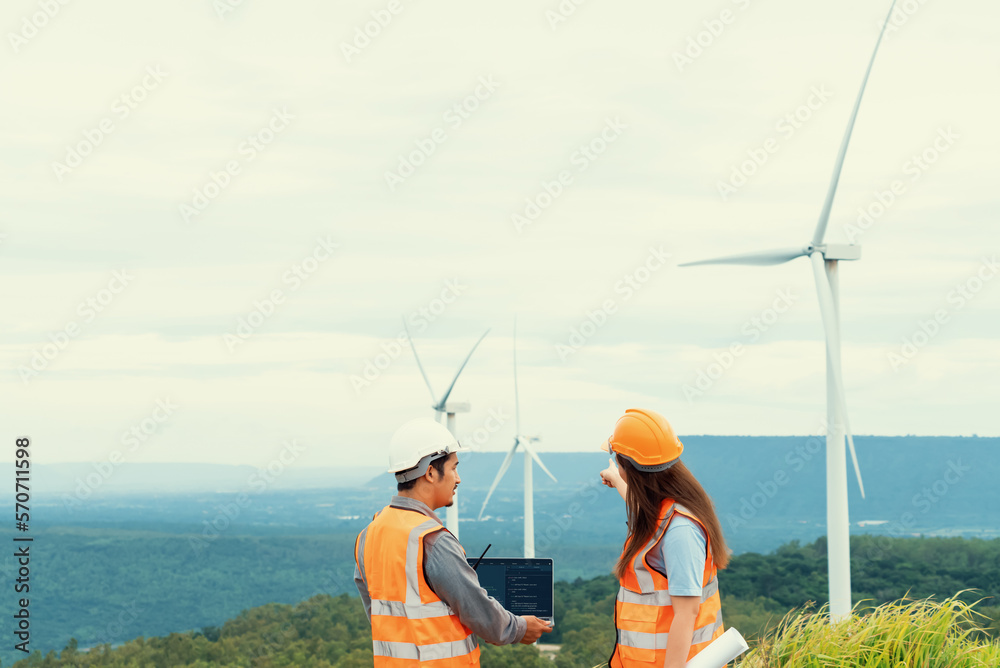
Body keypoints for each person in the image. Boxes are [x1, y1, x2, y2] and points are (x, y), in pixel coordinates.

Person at [354, 417, 552, 666]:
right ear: (430, 473)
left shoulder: (368, 535)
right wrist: (520, 628)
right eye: (454, 468)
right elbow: (477, 610)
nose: (458, 479)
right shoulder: (432, 540)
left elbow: (379, 614)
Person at [598, 408, 729, 668]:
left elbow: (686, 613)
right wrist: (616, 479)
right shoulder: (666, 510)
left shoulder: (681, 532)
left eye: (618, 460)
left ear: (632, 468)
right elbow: (648, 514)